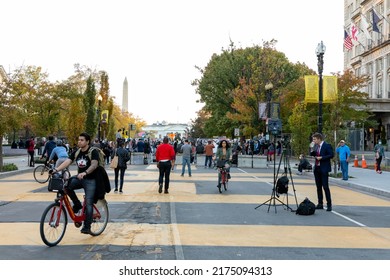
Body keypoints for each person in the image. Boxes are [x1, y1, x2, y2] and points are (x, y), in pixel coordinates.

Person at [52, 132, 101, 234]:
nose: (79, 142)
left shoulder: (93, 151)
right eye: (79, 140)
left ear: (87, 142)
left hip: (91, 179)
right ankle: (77, 204)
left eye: (82, 140)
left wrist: (85, 172)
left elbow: (94, 165)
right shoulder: (77, 152)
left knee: (88, 202)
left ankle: (87, 226)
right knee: (67, 186)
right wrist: (56, 170)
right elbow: (67, 161)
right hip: (80, 178)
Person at [310, 132, 334, 212]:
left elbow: (331, 155)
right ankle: (320, 203)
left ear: (319, 139)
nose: (313, 141)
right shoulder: (316, 146)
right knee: (318, 187)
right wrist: (312, 149)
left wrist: (322, 157)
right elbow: (313, 154)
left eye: (314, 139)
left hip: (324, 168)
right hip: (317, 168)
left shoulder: (327, 146)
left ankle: (329, 204)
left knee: (325, 186)